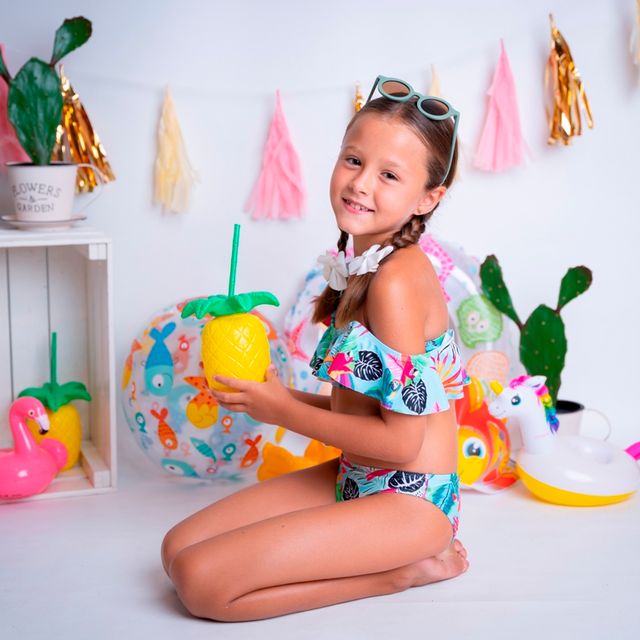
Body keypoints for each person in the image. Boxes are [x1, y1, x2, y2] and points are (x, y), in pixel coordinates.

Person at [161, 75, 470, 622]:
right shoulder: (365, 265)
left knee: (201, 583)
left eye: (389, 175)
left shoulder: (396, 282)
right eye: (353, 160)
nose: (361, 184)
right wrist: (281, 397)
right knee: (174, 550)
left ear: (429, 197)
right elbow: (372, 413)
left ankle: (401, 571)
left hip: (410, 500)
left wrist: (280, 413)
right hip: (356, 476)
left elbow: (401, 445)